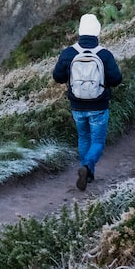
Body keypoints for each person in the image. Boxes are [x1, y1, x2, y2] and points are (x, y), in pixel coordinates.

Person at [52, 13, 124, 191]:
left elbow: (57, 77)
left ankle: (87, 171)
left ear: (80, 31)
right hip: (99, 104)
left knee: (83, 137)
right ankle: (87, 168)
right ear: (97, 32)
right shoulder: (104, 55)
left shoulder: (68, 53)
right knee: (98, 140)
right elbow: (116, 79)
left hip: (77, 104)